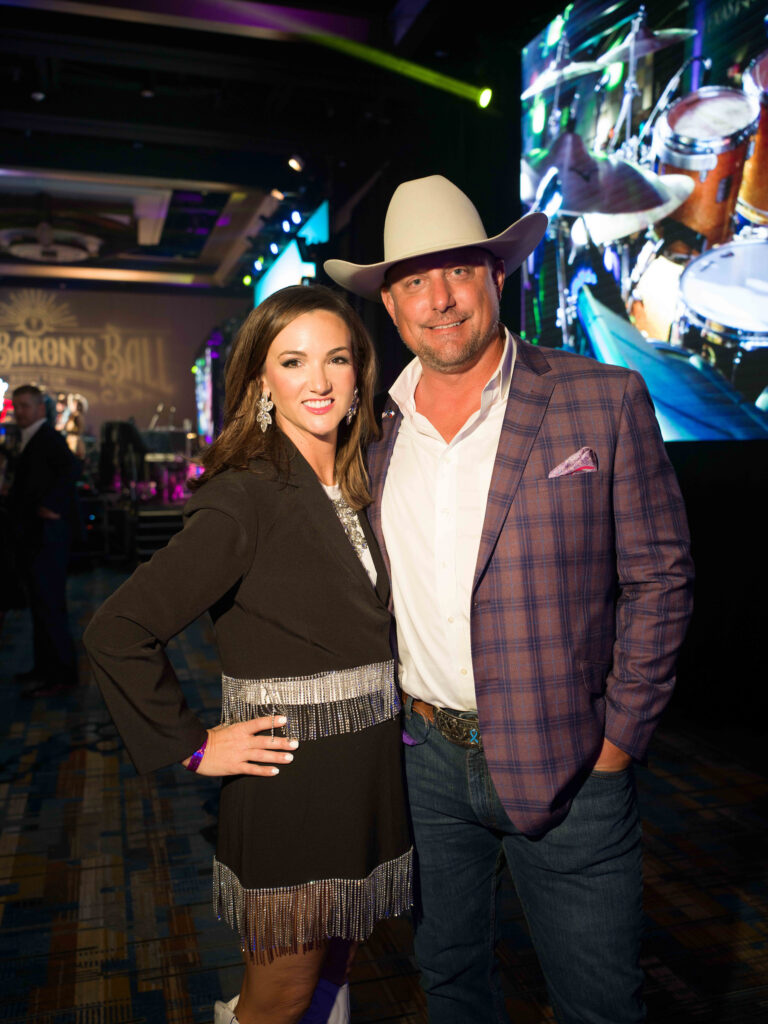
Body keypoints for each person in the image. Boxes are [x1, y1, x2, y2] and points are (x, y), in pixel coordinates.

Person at [324, 175, 694, 1024]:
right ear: (389, 301)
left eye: (457, 271)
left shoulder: (602, 398)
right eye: (413, 280)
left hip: (572, 766)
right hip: (422, 760)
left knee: (600, 1003)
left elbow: (661, 577)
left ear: (497, 274)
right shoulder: (370, 431)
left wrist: (619, 741)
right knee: (451, 985)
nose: (440, 299)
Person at [84, 285, 412, 1024]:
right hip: (292, 788)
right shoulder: (246, 495)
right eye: (294, 362)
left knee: (333, 972)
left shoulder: (360, 484)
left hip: (363, 781)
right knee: (280, 996)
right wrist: (195, 747)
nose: (320, 381)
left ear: (361, 372)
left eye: (336, 358)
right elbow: (118, 628)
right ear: (263, 382)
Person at [8, 384, 80, 697]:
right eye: (17, 405)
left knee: (49, 606)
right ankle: (45, 669)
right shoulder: (35, 437)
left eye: (25, 405)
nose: (19, 411)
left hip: (47, 537)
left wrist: (53, 505)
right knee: (41, 606)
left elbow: (72, 468)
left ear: (39, 408)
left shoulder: (47, 436)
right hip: (37, 535)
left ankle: (61, 675)